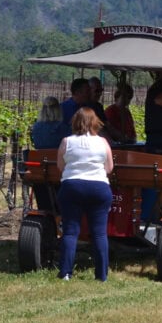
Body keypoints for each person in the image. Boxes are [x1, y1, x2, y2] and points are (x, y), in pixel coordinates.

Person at [55, 107, 114, 281]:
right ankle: (101, 275)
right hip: (98, 187)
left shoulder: (67, 141)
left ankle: (65, 272)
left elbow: (60, 166)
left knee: (71, 231)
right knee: (99, 233)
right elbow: (109, 168)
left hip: (72, 186)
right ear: (95, 122)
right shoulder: (103, 142)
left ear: (75, 122)